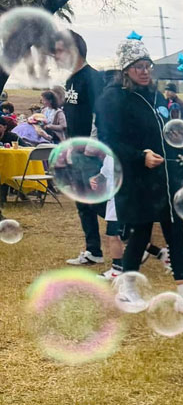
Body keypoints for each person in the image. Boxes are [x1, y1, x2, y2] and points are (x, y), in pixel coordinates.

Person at [99, 37, 183, 312]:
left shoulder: (156, 95)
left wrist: (182, 148)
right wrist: (140, 156)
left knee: (175, 233)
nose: (145, 71)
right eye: (138, 66)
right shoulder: (113, 98)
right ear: (125, 69)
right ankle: (127, 288)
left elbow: (169, 131)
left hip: (166, 177)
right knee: (139, 233)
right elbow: (109, 141)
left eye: (148, 65)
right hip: (136, 179)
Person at [63, 31, 111, 266]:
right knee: (82, 201)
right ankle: (93, 250)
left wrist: (92, 145)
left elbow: (100, 114)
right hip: (76, 149)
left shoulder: (91, 78)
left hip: (90, 151)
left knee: (97, 199)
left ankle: (132, 239)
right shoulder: (70, 79)